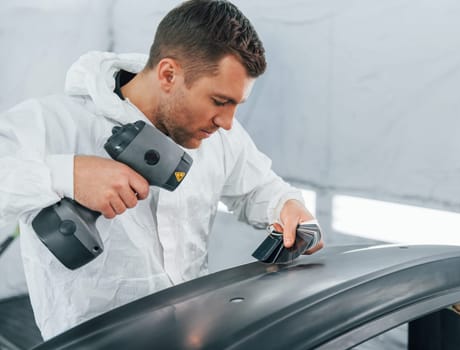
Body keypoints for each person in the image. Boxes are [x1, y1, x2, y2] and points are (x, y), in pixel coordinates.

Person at [0, 0, 323, 340]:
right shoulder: (55, 124)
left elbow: (259, 189)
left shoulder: (217, 134)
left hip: (193, 335)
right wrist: (65, 174)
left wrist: (286, 205)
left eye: (235, 104)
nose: (228, 123)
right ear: (169, 74)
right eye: (219, 101)